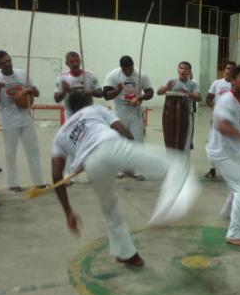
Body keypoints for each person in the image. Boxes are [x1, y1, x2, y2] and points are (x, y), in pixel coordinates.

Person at [52, 91, 198, 267]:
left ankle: (128, 254)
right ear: (89, 102)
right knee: (178, 164)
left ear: (69, 108)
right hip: (113, 147)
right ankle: (164, 211)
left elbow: (56, 175)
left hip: (92, 165)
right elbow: (125, 132)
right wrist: (128, 164)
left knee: (109, 210)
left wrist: (68, 212)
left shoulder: (60, 135)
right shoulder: (96, 110)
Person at [206, 65, 240, 247]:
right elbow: (222, 126)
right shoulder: (227, 100)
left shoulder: (235, 100)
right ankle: (236, 234)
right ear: (233, 79)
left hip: (227, 151)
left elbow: (232, 113)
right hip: (222, 152)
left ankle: (227, 213)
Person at [0, 50, 45, 191]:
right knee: (10, 153)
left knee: (33, 150)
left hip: (25, 117)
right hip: (8, 120)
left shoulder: (22, 74)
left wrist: (30, 91)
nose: (7, 64)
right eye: (3, 63)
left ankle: (39, 182)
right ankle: (13, 184)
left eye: (8, 60)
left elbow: (37, 93)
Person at [157, 61, 201, 153]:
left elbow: (199, 98)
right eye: (181, 68)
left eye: (185, 69)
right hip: (171, 115)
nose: (183, 70)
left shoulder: (193, 84)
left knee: (185, 141)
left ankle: (183, 163)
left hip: (186, 115)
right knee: (170, 139)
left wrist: (188, 94)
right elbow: (159, 92)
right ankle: (171, 162)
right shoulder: (171, 81)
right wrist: (166, 88)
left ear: (189, 71)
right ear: (178, 70)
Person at [204, 61, 236, 179]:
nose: (230, 71)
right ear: (224, 70)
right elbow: (208, 98)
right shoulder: (217, 83)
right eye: (228, 68)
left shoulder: (236, 85)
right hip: (217, 120)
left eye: (232, 69)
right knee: (214, 144)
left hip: (231, 121)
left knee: (229, 145)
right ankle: (212, 168)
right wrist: (214, 109)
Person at [54, 51, 103, 118]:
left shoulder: (91, 76)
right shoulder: (62, 78)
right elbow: (57, 100)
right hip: (71, 115)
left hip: (88, 114)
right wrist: (64, 91)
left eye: (77, 61)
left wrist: (91, 92)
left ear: (80, 61)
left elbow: (101, 94)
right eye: (72, 62)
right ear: (66, 63)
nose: (75, 64)